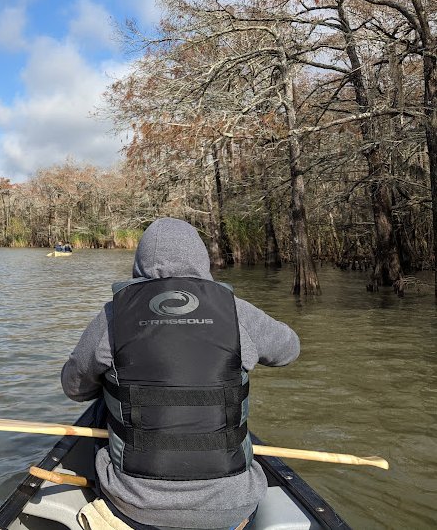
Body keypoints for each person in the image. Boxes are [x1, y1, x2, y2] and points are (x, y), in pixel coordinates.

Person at [61, 218, 300, 530]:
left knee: (103, 402)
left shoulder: (112, 315)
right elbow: (289, 349)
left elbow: (74, 388)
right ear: (200, 260)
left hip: (135, 509)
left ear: (139, 264)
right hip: (231, 511)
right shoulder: (234, 310)